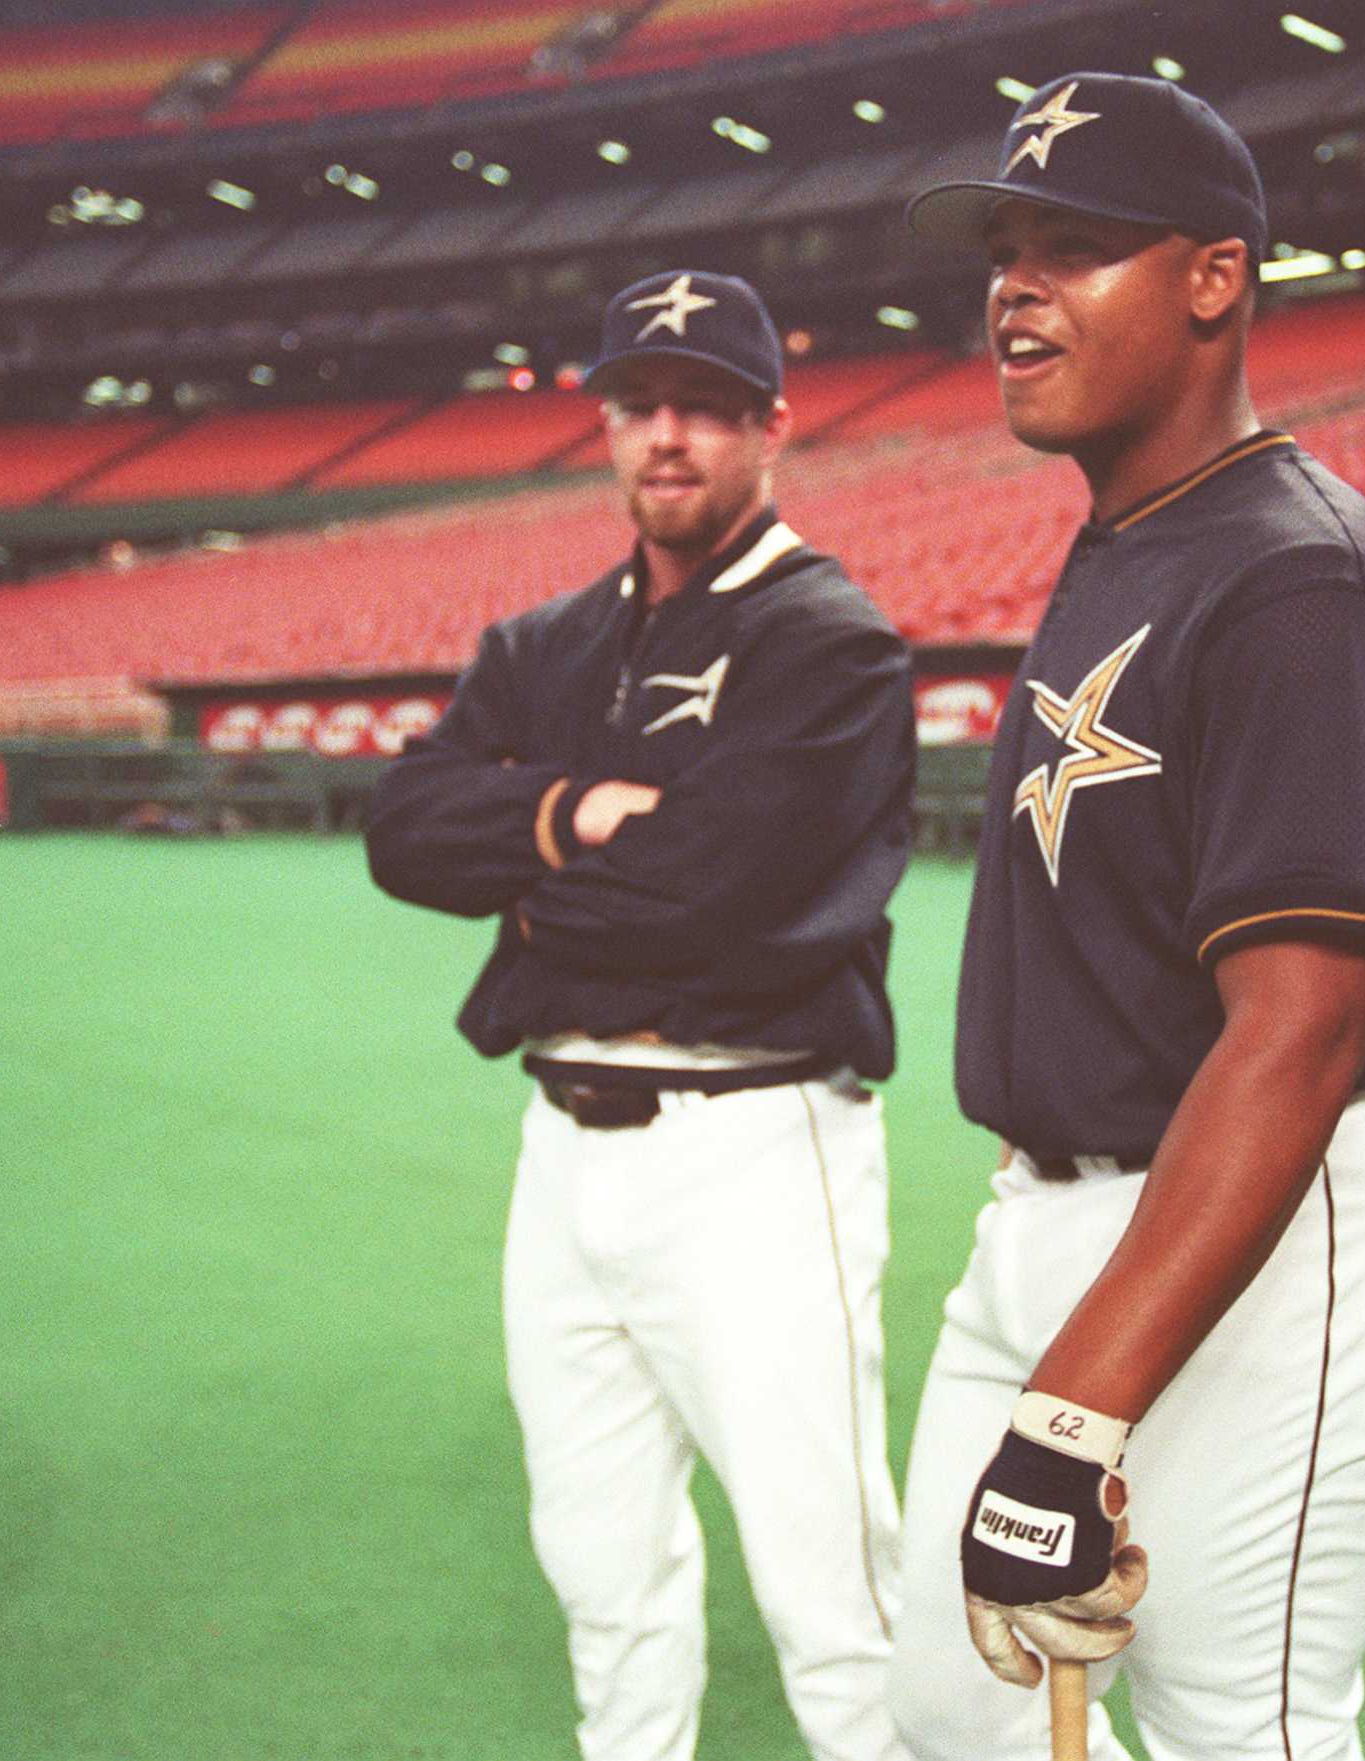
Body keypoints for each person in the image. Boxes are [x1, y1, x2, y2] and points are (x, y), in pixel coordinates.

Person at [887, 74, 1365, 1761]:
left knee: (1244, 1728)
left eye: (1072, 248)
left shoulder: (1301, 574)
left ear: (1213, 279)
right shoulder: (1130, 535)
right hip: (1056, 1220)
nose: (1013, 288)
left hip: (1260, 1228)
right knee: (948, 1710)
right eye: (1002, 251)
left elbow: (1299, 1032)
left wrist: (1072, 1422)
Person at [364, 269, 917, 1761]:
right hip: (566, 1157)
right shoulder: (545, 642)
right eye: (640, 405)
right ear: (606, 425)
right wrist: (569, 813)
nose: (668, 435)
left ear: (772, 428)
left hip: (753, 1143)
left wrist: (531, 879)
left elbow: (724, 902)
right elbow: (404, 829)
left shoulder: (828, 639)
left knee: (836, 1596)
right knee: (603, 1575)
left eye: (707, 408)